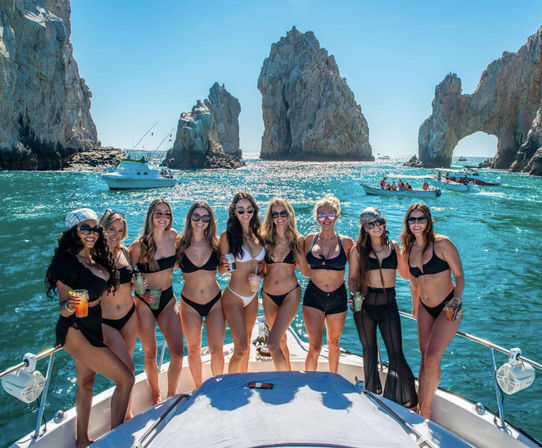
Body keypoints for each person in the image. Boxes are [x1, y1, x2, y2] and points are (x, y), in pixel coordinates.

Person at [45, 208, 133, 447]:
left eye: (95, 228)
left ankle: (82, 440)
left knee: (86, 383)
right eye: (86, 228)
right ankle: (117, 439)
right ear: (74, 231)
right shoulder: (66, 263)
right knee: (126, 379)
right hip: (75, 328)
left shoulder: (97, 256)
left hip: (93, 323)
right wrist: (70, 305)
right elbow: (63, 309)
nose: (92, 233)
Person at [347, 207, 418, 409]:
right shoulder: (357, 250)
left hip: (389, 304)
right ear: (365, 228)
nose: (376, 226)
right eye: (371, 224)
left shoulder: (394, 247)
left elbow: (406, 275)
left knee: (396, 353)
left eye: (379, 222)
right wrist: (353, 295)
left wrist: (417, 255)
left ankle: (410, 401)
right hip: (365, 306)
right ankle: (372, 395)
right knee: (369, 350)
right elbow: (351, 279)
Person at [401, 203, 464, 419]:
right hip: (425, 308)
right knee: (424, 357)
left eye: (420, 219)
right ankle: (420, 404)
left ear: (428, 222)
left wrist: (456, 300)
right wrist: (415, 307)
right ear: (407, 223)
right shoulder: (408, 249)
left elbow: (460, 276)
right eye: (412, 219)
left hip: (447, 306)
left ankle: (425, 412)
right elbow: (414, 283)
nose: (416, 224)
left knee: (431, 358)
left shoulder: (442, 244)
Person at [130, 199, 183, 404]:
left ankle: (171, 396)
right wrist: (141, 293)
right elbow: (128, 276)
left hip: (168, 299)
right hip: (145, 304)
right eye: (158, 214)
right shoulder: (138, 246)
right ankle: (156, 394)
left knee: (178, 353)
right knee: (151, 354)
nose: (163, 218)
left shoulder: (173, 237)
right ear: (151, 216)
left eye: (167, 214)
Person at [303, 194, 354, 373]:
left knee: (334, 343)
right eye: (322, 215)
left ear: (337, 216)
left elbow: (354, 274)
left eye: (330, 214)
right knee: (314, 347)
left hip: (338, 297)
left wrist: (355, 294)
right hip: (313, 296)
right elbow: (296, 263)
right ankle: (309, 379)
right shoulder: (309, 239)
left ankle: (333, 378)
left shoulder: (347, 243)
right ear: (316, 217)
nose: (326, 219)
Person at [177, 201, 225, 387]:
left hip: (215, 302)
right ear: (190, 218)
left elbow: (223, 269)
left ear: (210, 220)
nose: (200, 221)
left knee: (217, 350)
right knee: (194, 349)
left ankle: (218, 387)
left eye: (205, 217)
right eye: (196, 216)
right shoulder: (179, 244)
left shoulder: (216, 243)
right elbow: (161, 263)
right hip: (189, 304)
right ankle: (199, 387)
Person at [260, 198, 310, 371]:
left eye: (283, 213)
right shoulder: (265, 240)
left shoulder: (298, 240)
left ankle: (284, 381)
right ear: (271, 217)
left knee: (272, 344)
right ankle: (287, 374)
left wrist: (299, 253)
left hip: (290, 294)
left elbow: (305, 272)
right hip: (268, 295)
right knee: (280, 340)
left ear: (289, 215)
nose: (279, 217)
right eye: (275, 214)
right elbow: (262, 270)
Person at [99, 210, 138, 419]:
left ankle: (128, 413)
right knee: (128, 372)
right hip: (107, 322)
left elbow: (128, 284)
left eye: (120, 230)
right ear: (102, 228)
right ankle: (117, 430)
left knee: (128, 366)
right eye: (111, 229)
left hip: (129, 316)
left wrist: (137, 285)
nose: (115, 234)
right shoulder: (93, 256)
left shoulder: (125, 252)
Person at [219, 192, 264, 373]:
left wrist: (260, 275)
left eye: (249, 209)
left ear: (254, 210)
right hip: (234, 297)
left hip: (252, 296)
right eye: (240, 210)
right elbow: (222, 270)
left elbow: (261, 266)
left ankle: (243, 381)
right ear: (234, 212)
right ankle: (231, 386)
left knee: (247, 349)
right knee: (241, 348)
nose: (245, 213)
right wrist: (225, 266)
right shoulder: (227, 236)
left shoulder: (258, 235)